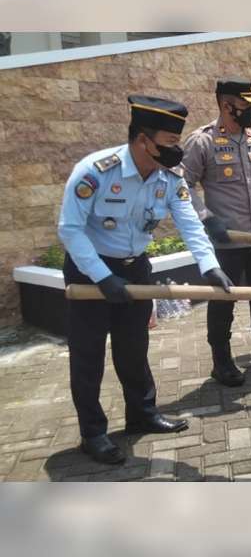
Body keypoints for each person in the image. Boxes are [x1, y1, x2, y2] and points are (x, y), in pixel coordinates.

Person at [57, 95, 233, 465]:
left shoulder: (169, 176)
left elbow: (188, 220)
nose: (176, 151)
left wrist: (209, 265)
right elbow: (70, 231)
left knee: (133, 348)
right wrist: (103, 278)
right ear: (142, 140)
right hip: (90, 271)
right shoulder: (95, 172)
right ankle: (93, 434)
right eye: (168, 143)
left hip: (136, 268)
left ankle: (142, 414)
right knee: (88, 357)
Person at [182, 77, 251, 388]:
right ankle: (221, 362)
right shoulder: (201, 141)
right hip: (227, 239)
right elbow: (182, 186)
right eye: (245, 106)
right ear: (226, 104)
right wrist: (207, 218)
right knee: (223, 300)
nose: (250, 112)